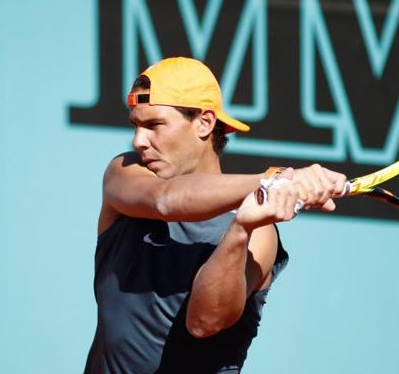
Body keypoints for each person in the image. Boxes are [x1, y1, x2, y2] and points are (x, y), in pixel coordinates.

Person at [83, 57, 347, 374]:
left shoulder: (259, 232)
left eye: (154, 125)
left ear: (205, 123)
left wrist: (239, 231)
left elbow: (204, 322)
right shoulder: (123, 172)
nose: (139, 141)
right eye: (136, 126)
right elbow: (165, 201)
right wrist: (273, 179)